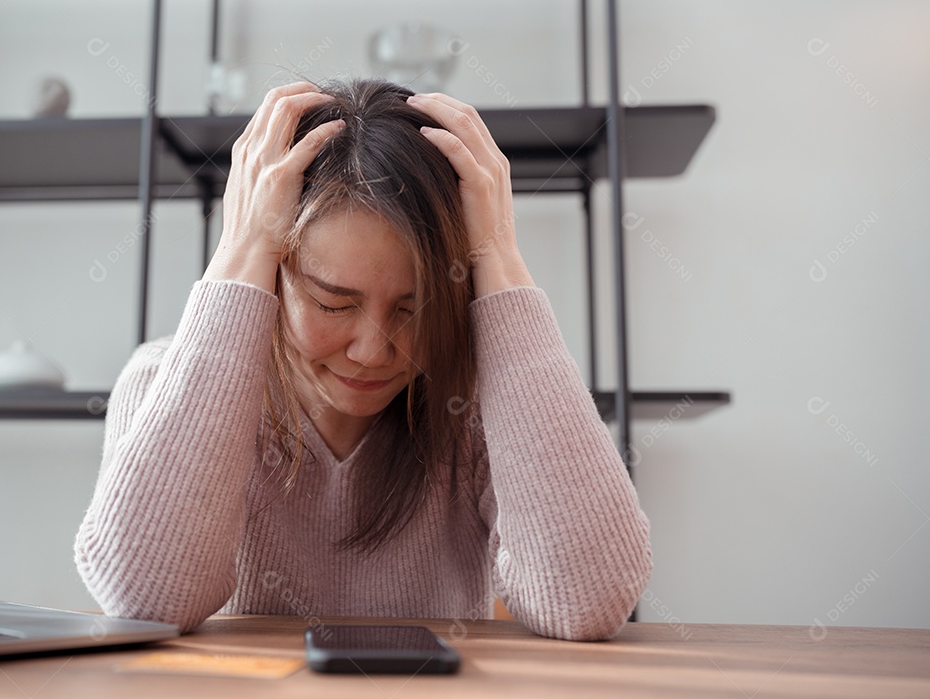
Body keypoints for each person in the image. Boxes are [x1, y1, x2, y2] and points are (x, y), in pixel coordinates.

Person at [74, 77, 651, 641]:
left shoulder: (479, 404)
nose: (372, 352)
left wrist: (497, 254)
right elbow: (144, 599)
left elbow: (588, 602)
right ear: (274, 275)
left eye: (414, 307)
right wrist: (243, 245)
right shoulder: (162, 380)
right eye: (332, 303)